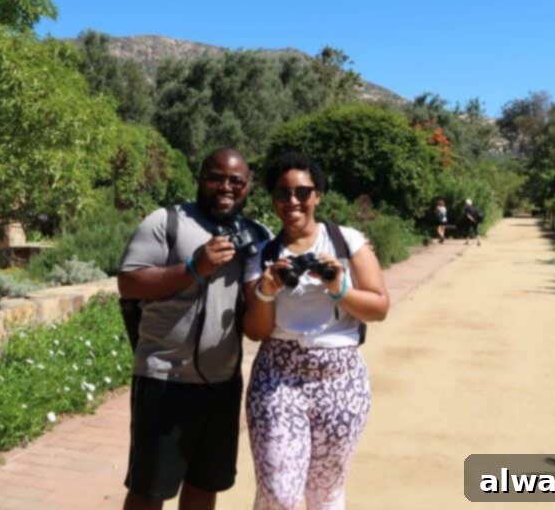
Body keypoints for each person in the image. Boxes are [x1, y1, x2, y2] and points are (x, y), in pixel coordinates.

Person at [118, 148, 270, 510]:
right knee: (149, 489)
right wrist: (192, 268)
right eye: (217, 177)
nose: (226, 187)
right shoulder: (165, 221)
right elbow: (130, 282)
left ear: (247, 188)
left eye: (236, 181)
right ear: (200, 179)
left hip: (222, 383)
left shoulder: (256, 235)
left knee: (205, 483)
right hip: (164, 379)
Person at [242, 152, 391, 510]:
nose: (293, 201)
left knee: (326, 491)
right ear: (273, 199)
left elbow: (380, 307)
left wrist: (338, 287)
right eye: (282, 193)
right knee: (279, 491)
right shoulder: (261, 255)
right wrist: (266, 291)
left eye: (303, 192)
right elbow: (256, 331)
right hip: (278, 377)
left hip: (340, 379)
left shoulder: (347, 242)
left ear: (318, 195)